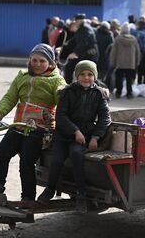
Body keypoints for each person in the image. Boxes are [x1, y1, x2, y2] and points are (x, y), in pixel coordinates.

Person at [0, 44, 66, 200]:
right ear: (29, 60)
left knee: (26, 163)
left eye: (42, 61)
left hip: (39, 130)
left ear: (51, 63)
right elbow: (10, 98)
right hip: (18, 126)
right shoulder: (21, 76)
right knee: (1, 152)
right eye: (34, 60)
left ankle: (28, 198)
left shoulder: (57, 81)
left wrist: (56, 121)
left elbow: (63, 105)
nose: (37, 64)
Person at [37, 60, 111, 213]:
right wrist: (75, 131)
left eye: (90, 74)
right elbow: (61, 115)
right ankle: (50, 189)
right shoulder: (68, 92)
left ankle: (81, 195)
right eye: (82, 74)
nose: (86, 78)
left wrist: (96, 137)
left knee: (77, 155)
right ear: (76, 76)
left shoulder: (98, 94)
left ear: (95, 77)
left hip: (84, 136)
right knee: (57, 160)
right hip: (64, 135)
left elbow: (105, 118)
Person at [63, 13, 99, 84]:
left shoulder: (85, 28)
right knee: (69, 67)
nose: (75, 22)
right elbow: (74, 40)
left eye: (76, 21)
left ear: (80, 21)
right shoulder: (81, 28)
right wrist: (64, 46)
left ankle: (98, 89)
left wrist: (75, 53)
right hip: (83, 54)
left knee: (89, 73)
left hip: (89, 55)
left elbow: (83, 42)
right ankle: (68, 87)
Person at [110, 22, 141, 98]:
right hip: (131, 63)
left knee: (119, 79)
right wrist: (137, 62)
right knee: (129, 79)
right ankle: (129, 93)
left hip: (119, 63)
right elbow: (138, 52)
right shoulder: (134, 40)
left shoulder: (117, 39)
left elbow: (113, 52)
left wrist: (113, 62)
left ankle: (118, 93)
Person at [136, 19, 145, 85]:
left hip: (141, 52)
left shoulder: (139, 33)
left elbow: (140, 43)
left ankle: (140, 82)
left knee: (140, 68)